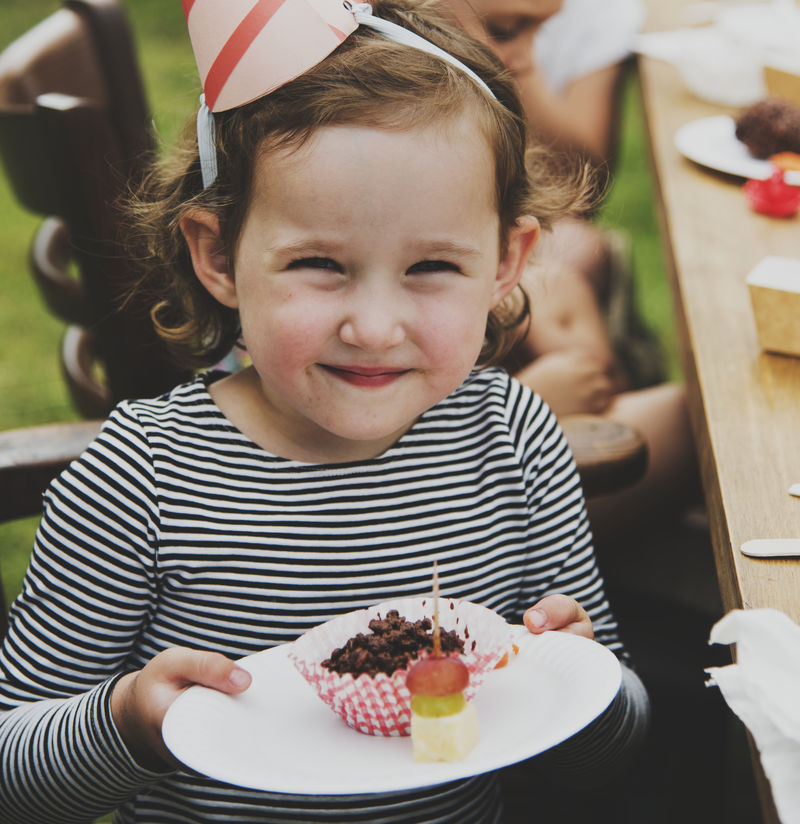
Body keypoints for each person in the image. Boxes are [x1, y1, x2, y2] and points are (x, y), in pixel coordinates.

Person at [0, 1, 649, 821]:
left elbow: (613, 744)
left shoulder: (512, 439)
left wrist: (580, 681)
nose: (373, 327)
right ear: (219, 255)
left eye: (432, 266)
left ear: (506, 263)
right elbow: (12, 775)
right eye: (317, 263)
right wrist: (124, 724)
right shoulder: (143, 477)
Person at [439, 0, 700, 541]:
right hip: (445, 510)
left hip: (492, 429)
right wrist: (524, 408)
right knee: (703, 426)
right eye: (506, 29)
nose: (527, 59)